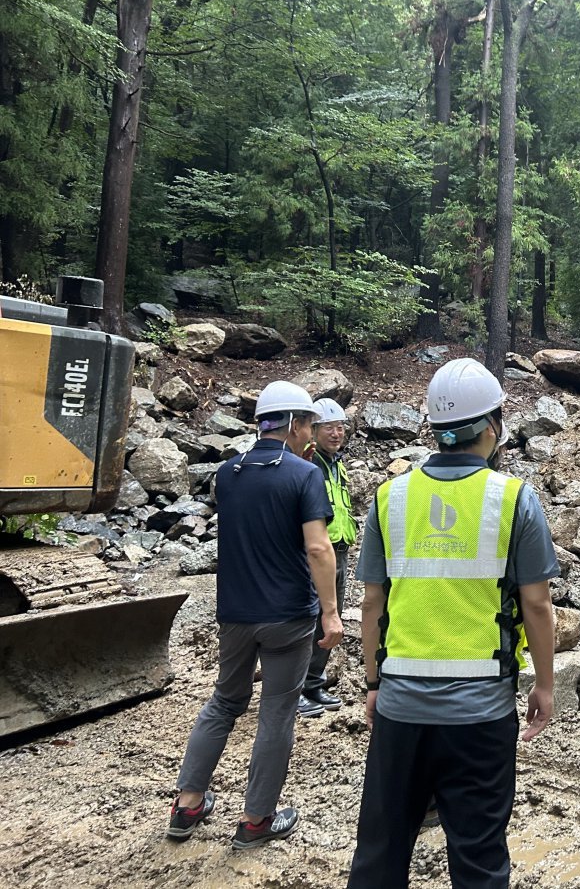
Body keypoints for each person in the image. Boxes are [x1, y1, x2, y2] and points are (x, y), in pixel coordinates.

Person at [346, 358, 557, 889]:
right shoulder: (514, 498)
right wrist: (545, 684)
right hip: (481, 714)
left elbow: (372, 604)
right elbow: (536, 606)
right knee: (479, 859)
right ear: (493, 427)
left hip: (400, 708)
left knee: (380, 854)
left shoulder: (390, 498)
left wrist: (373, 683)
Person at [166, 380, 345, 849]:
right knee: (277, 714)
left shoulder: (228, 473)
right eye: (309, 424)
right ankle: (256, 820)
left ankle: (187, 804)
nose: (312, 433)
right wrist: (331, 613)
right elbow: (318, 548)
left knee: (224, 702)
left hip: (235, 612)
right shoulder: (305, 475)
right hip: (288, 614)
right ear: (295, 424)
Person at [297, 397, 357, 718]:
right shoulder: (308, 463)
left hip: (340, 551)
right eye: (329, 428)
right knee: (309, 618)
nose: (336, 434)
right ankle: (295, 688)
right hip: (317, 551)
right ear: (314, 429)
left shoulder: (337, 464)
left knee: (331, 620)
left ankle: (313, 683)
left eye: (340, 428)